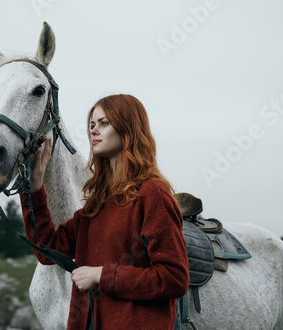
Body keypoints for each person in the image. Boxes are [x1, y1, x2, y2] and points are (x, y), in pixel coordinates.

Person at [20, 94, 189, 329]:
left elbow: (174, 278)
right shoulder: (96, 205)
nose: (93, 131)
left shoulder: (152, 194)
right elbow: (47, 250)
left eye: (104, 123)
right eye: (91, 125)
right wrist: (33, 190)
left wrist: (102, 275)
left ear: (128, 128)